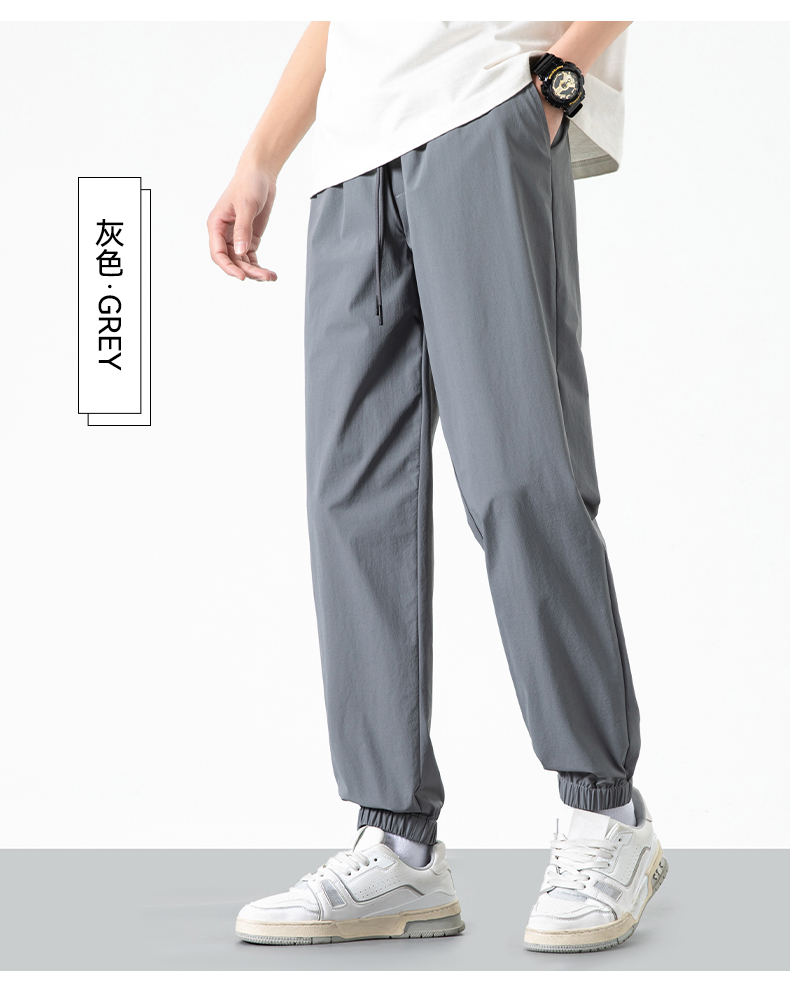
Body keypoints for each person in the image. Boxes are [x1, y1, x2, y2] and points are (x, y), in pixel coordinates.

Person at [208, 20, 668, 954]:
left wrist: (556, 83)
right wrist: (261, 156)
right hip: (351, 155)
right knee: (353, 504)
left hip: (485, 106)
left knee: (518, 474)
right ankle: (396, 843)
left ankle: (606, 812)